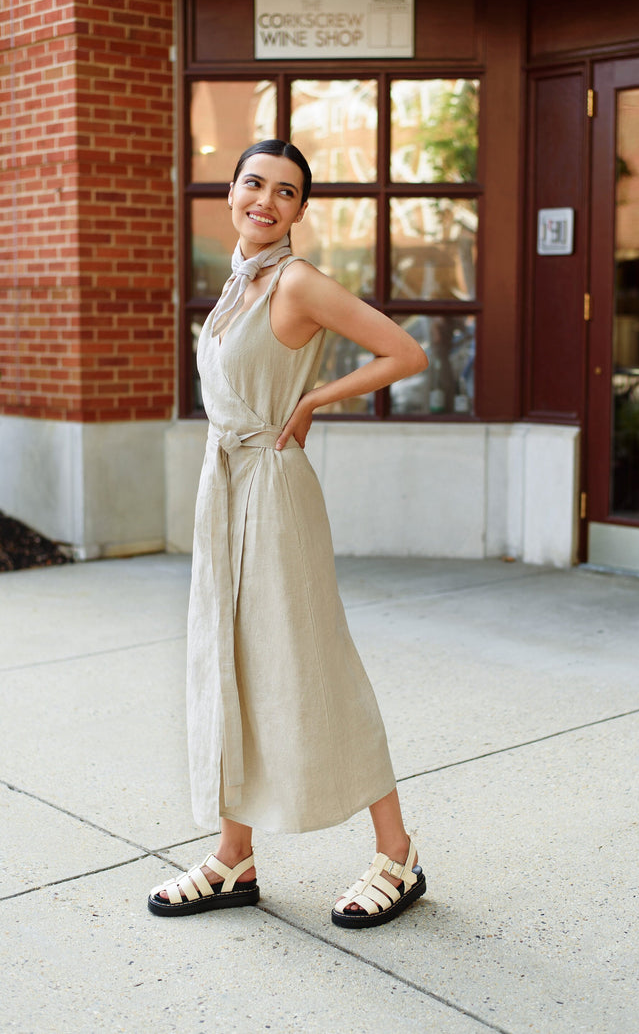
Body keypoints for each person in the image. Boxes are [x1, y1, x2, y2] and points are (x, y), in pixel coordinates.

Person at [148, 139, 428, 927]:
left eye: (285, 191)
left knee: (314, 664)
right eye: (253, 184)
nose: (265, 200)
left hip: (272, 492)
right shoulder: (241, 283)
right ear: (231, 192)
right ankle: (233, 856)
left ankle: (397, 854)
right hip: (226, 486)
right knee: (231, 661)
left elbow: (405, 352)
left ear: (301, 210)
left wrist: (311, 403)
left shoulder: (297, 280)